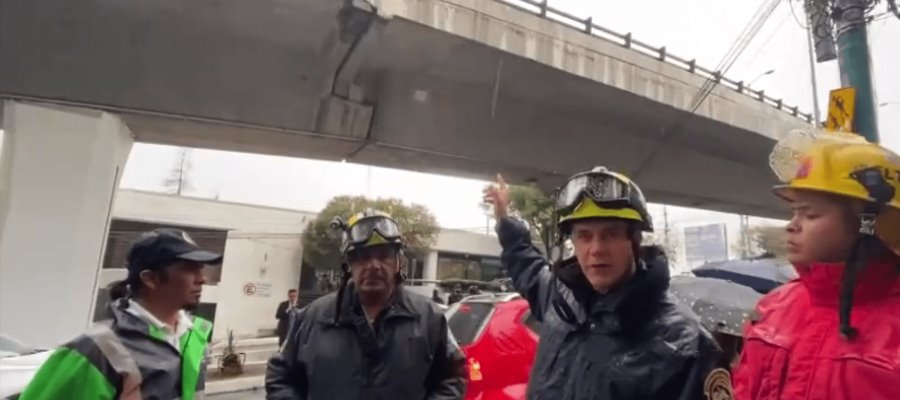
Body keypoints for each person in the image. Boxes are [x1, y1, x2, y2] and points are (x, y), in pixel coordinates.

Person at [483, 168, 720, 400]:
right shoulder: (561, 299)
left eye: (611, 234)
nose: (596, 249)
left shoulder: (683, 343)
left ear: (635, 240)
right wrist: (504, 220)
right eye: (584, 235)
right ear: (573, 242)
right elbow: (527, 266)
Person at [733, 131, 900, 399]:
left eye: (809, 214)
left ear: (868, 224)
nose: (792, 226)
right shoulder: (772, 307)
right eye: (794, 212)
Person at [266, 208, 466, 399]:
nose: (373, 266)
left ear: (398, 262)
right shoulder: (312, 318)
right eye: (363, 257)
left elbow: (453, 377)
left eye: (384, 255)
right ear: (349, 265)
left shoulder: (429, 317)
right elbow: (279, 376)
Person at [20, 228, 222, 400]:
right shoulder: (96, 350)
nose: (202, 279)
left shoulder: (193, 337)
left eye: (200, 269)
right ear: (150, 279)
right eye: (189, 269)